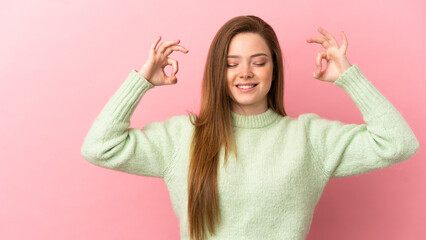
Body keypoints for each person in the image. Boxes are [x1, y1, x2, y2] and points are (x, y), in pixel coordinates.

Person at [80, 15, 419, 240]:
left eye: (259, 62)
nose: (245, 73)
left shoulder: (308, 138)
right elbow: (99, 146)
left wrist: (348, 77)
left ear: (274, 69)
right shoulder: (183, 137)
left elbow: (398, 142)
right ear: (218, 72)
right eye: (231, 64)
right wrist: (141, 81)